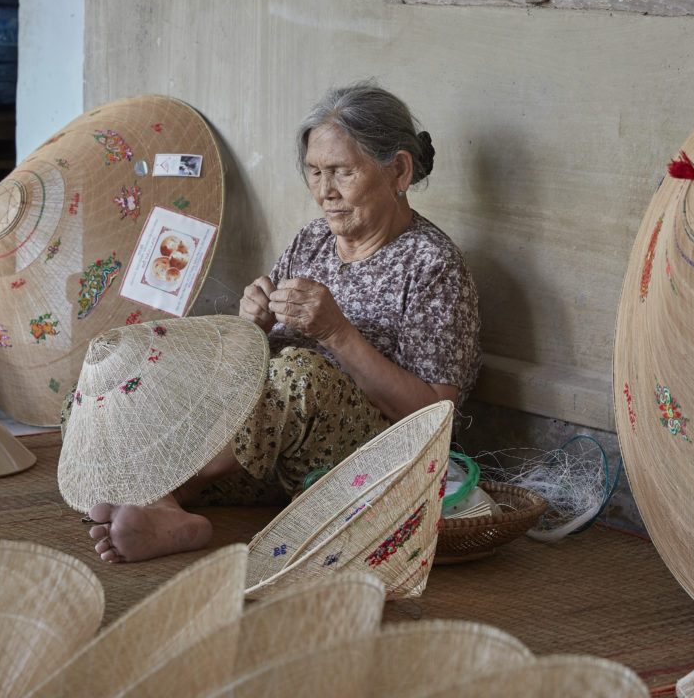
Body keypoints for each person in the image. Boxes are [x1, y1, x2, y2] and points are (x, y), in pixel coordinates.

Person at [86, 83, 481, 562]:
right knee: (137, 367)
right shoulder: (314, 240)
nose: (325, 192)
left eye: (342, 172)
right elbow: (247, 368)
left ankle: (160, 493)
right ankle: (162, 499)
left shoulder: (432, 266)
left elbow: (437, 419)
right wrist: (251, 326)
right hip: (279, 451)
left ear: (398, 170)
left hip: (368, 460)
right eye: (315, 173)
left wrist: (338, 335)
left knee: (301, 375)